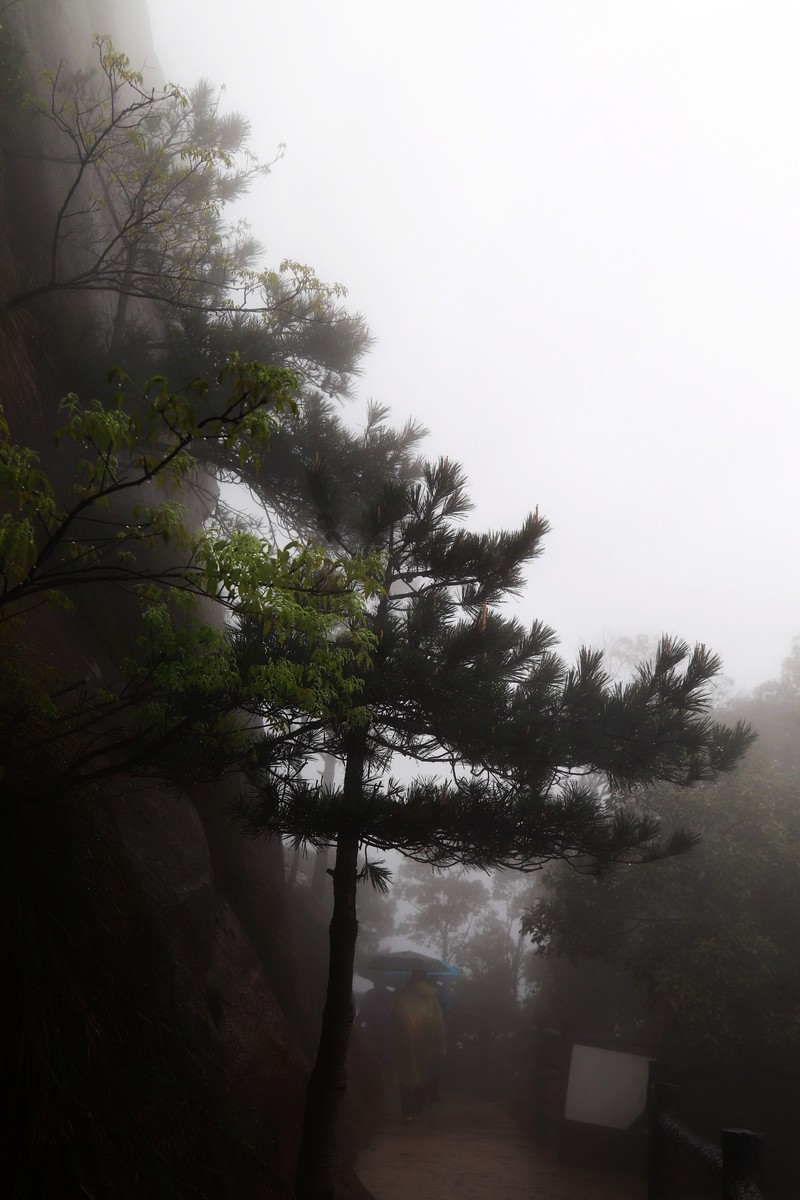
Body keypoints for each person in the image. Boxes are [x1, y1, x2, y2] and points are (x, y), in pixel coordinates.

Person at [392, 971, 446, 1122]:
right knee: (421, 1074)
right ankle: (417, 1108)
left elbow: (392, 1014)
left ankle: (407, 1113)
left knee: (405, 1075)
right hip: (425, 1042)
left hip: (404, 1041)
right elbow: (438, 1023)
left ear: (411, 978)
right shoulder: (431, 997)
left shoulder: (402, 994)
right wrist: (441, 1045)